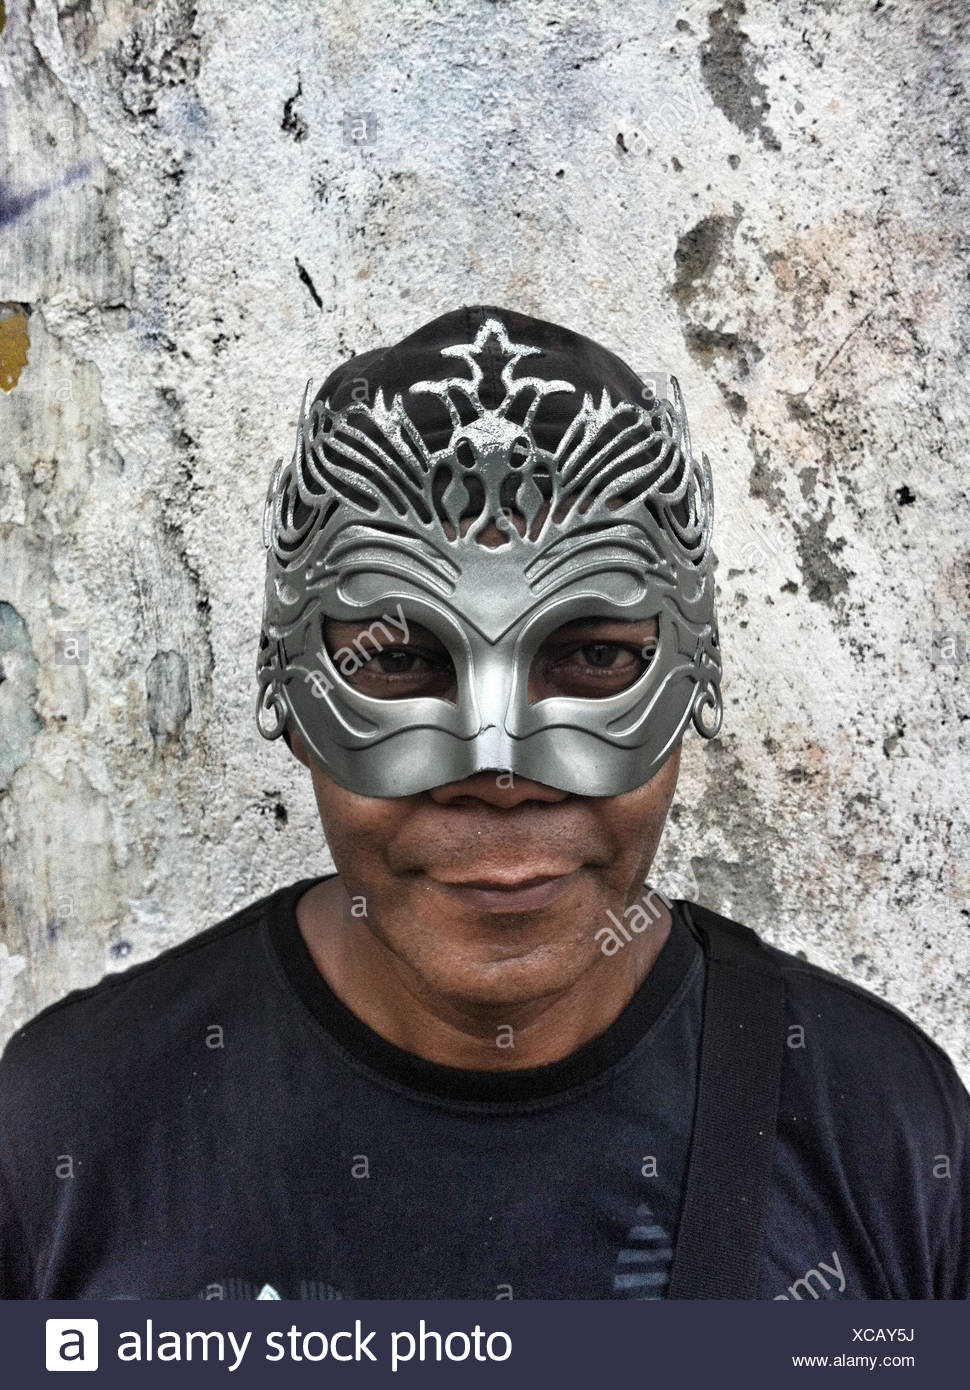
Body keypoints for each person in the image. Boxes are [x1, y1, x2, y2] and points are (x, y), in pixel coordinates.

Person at [1, 305, 967, 1301]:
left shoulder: (882, 1125)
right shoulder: (65, 1127)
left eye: (593, 657)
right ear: (283, 692)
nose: (498, 764)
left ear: (696, 682)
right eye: (406, 657)